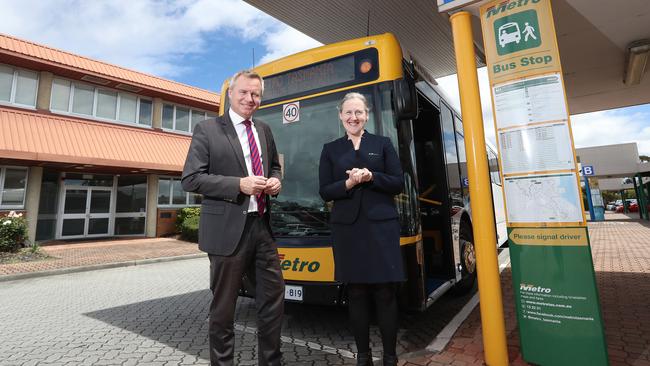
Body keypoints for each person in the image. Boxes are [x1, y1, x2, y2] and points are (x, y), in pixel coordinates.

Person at [182, 70, 284, 366]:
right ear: (231, 93)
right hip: (227, 232)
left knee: (273, 301)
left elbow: (275, 166)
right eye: (244, 92)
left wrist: (275, 182)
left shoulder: (264, 129)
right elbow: (191, 179)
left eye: (256, 94)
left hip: (262, 227)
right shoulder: (208, 129)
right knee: (224, 309)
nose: (250, 99)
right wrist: (238, 185)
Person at [318, 92, 404, 366]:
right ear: (340, 116)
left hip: (381, 227)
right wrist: (349, 184)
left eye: (358, 112)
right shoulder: (330, 149)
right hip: (348, 230)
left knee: (385, 292)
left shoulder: (383, 143)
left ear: (366, 115)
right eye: (348, 113)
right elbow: (324, 191)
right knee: (355, 293)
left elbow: (398, 182)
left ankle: (390, 357)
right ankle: (363, 356)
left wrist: (371, 176)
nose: (353, 118)